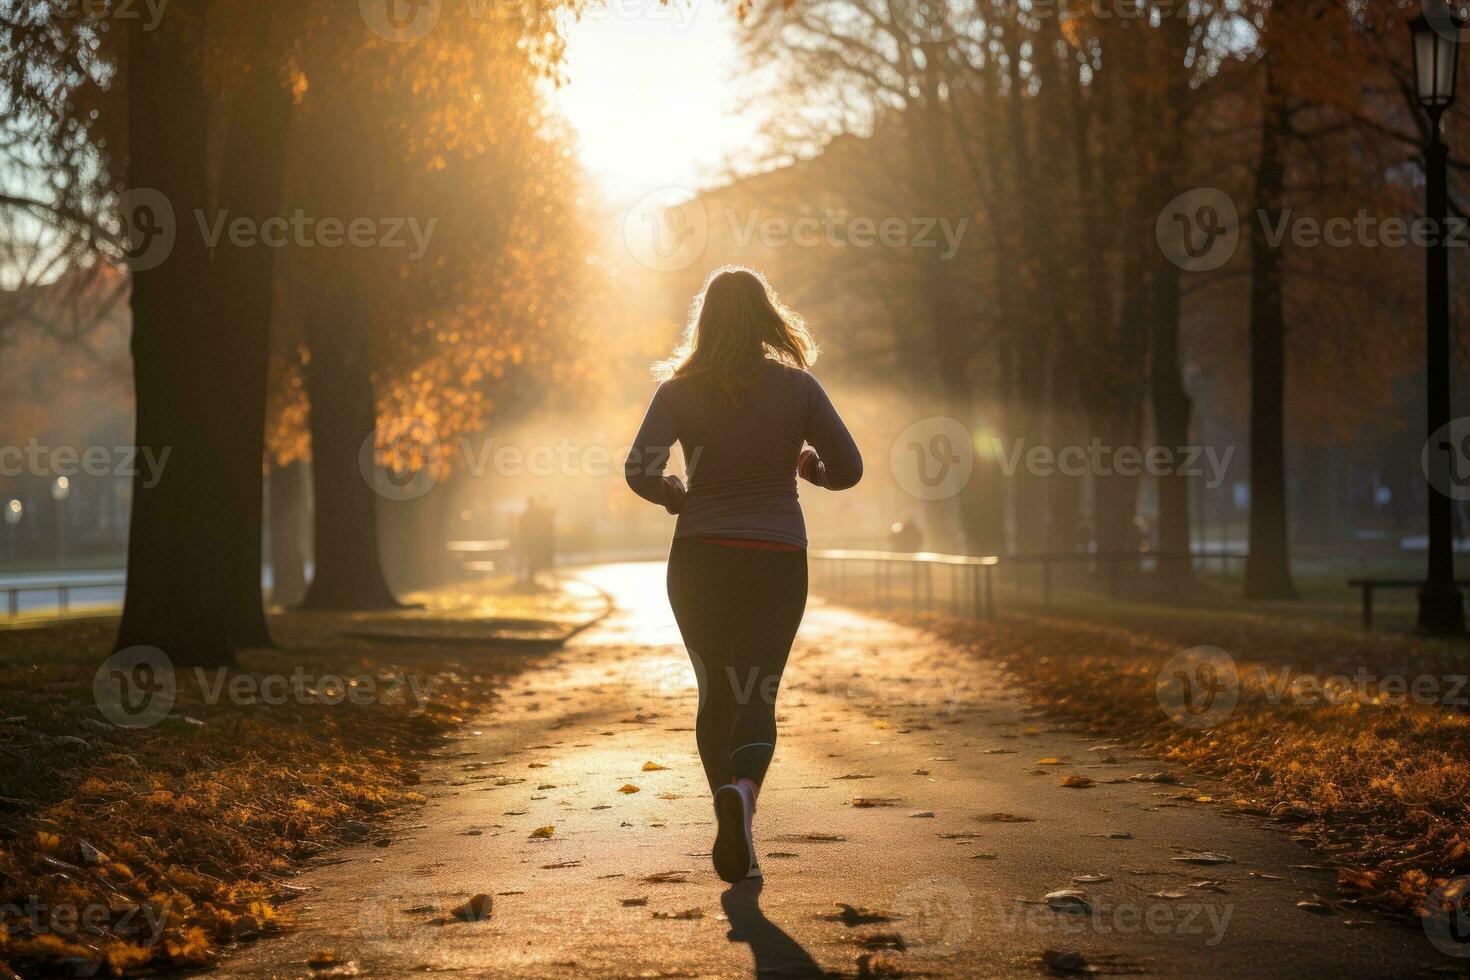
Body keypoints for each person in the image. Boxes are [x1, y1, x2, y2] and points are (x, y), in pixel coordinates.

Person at [625, 267, 863, 884]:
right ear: (766, 319)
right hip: (776, 556)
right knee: (758, 689)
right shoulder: (798, 388)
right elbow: (851, 468)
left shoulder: (679, 390)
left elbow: (638, 468)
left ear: (704, 321)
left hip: (701, 555)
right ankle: (745, 797)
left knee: (716, 693)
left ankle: (725, 809)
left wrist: (675, 493)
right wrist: (809, 471)